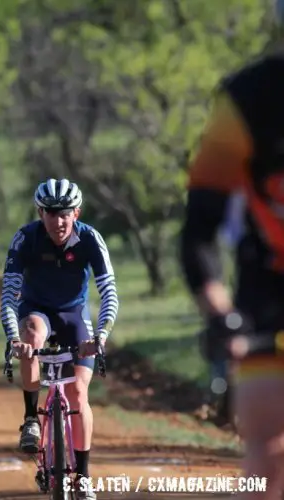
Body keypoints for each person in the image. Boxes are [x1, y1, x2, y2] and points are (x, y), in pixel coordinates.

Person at [178, 7, 284, 493]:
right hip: (269, 300)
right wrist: (222, 315)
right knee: (268, 442)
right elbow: (200, 228)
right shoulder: (247, 99)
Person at [0, 178, 118, 500]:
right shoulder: (25, 238)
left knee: (78, 392)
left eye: (64, 213)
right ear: (40, 213)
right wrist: (14, 338)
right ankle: (30, 419)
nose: (58, 220)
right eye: (50, 213)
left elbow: (109, 292)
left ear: (76, 212)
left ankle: (83, 475)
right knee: (32, 334)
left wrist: (102, 333)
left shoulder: (91, 238)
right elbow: (8, 295)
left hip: (73, 315)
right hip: (36, 310)